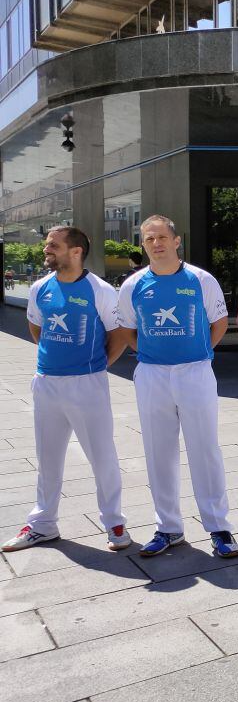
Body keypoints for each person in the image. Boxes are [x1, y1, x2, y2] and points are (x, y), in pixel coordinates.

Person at [116, 215, 238, 559]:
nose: (155, 243)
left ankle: (219, 527)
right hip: (152, 374)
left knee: (205, 449)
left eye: (161, 237)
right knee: (159, 452)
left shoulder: (201, 280)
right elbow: (126, 329)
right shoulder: (134, 285)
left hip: (194, 373)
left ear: (176, 241)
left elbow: (218, 324)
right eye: (148, 239)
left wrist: (198, 354)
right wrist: (145, 352)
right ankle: (168, 527)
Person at [2, 227, 131, 553]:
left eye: (53, 246)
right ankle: (43, 523)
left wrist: (95, 366)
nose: (46, 251)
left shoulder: (99, 290)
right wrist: (56, 363)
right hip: (46, 383)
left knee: (101, 455)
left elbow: (117, 335)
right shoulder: (40, 288)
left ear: (75, 251)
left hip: (87, 385)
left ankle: (114, 522)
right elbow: (37, 327)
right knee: (48, 458)